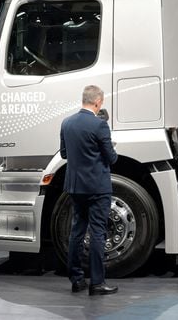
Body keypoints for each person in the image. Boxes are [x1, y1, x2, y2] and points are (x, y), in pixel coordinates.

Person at [60, 85, 119, 296]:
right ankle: (97, 283)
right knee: (97, 233)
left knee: (76, 232)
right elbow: (111, 158)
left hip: (76, 186)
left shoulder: (66, 123)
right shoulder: (100, 125)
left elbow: (64, 154)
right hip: (97, 187)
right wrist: (112, 147)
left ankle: (76, 280)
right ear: (98, 102)